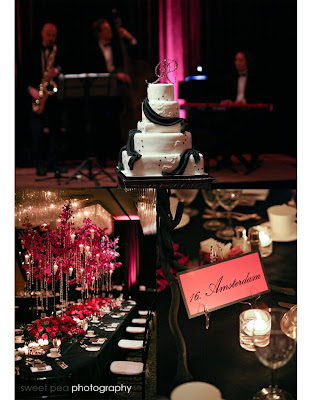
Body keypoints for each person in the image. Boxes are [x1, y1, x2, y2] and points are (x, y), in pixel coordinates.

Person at [21, 23, 66, 176]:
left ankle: (53, 163)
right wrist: (30, 89)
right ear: (42, 33)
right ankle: (39, 164)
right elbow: (22, 74)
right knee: (37, 133)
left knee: (55, 131)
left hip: (52, 98)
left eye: (53, 35)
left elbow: (65, 67)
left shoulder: (57, 50)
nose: (51, 38)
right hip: (36, 95)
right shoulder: (30, 50)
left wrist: (58, 70)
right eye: (48, 35)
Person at [86, 18, 133, 165]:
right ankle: (100, 157)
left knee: (114, 121)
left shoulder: (117, 46)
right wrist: (114, 75)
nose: (110, 31)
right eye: (106, 29)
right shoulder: (91, 48)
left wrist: (129, 38)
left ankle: (116, 155)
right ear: (99, 33)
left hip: (116, 89)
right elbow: (93, 70)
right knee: (98, 123)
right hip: (99, 89)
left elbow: (132, 55)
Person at [215, 50, 267, 172]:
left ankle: (253, 159)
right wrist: (227, 101)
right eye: (236, 60)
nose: (237, 63)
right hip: (234, 110)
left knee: (253, 123)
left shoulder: (255, 78)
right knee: (221, 122)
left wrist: (244, 103)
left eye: (240, 60)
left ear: (247, 62)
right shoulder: (230, 77)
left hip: (250, 111)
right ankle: (226, 157)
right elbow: (224, 95)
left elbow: (259, 97)